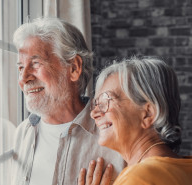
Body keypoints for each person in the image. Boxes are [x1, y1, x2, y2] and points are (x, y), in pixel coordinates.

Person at [10, 17, 125, 185]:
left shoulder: (114, 134)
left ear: (74, 68)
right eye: (20, 67)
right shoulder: (22, 133)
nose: (23, 78)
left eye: (35, 63)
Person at [78, 57, 192, 185]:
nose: (94, 113)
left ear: (148, 114)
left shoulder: (138, 178)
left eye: (105, 101)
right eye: (96, 104)